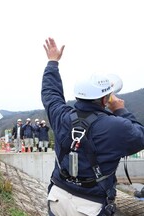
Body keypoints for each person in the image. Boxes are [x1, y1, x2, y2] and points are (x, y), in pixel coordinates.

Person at [42, 37, 144, 216]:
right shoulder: (117, 126)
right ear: (105, 99)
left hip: (58, 197)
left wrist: (52, 62)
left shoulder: (61, 115)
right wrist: (120, 110)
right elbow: (140, 137)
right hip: (90, 206)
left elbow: (50, 93)